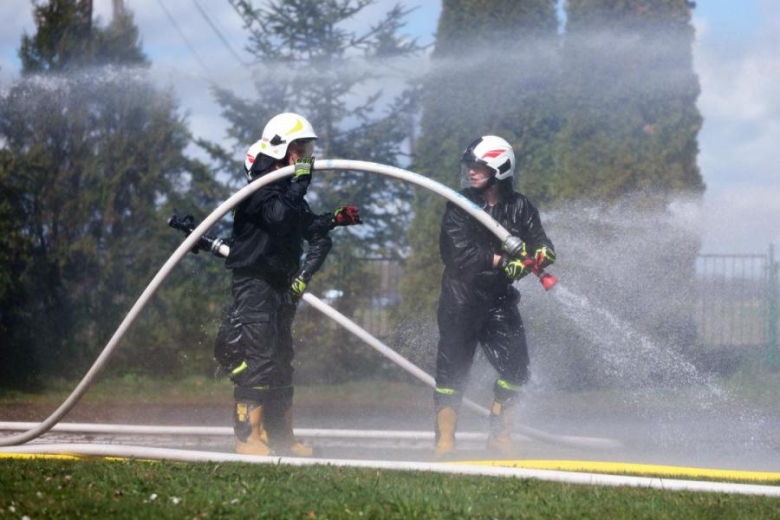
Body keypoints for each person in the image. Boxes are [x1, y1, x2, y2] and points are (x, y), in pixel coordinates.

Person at [215, 112, 361, 456]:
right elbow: (279, 217)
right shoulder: (259, 190)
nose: (306, 154)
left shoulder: (286, 191)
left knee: (281, 360)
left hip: (278, 285)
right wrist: (300, 181)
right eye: (300, 147)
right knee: (260, 357)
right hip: (256, 282)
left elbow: (306, 226)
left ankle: (282, 437)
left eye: (307, 147)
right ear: (281, 148)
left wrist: (334, 220)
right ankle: (246, 438)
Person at [433, 135, 555, 459]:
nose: (471, 172)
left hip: (499, 300)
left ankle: (499, 436)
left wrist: (542, 253)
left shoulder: (520, 206)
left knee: (517, 369)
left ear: (499, 169)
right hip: (461, 299)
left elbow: (539, 239)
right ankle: (445, 441)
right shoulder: (460, 204)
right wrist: (502, 261)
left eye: (479, 167)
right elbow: (455, 251)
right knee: (451, 372)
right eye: (470, 167)